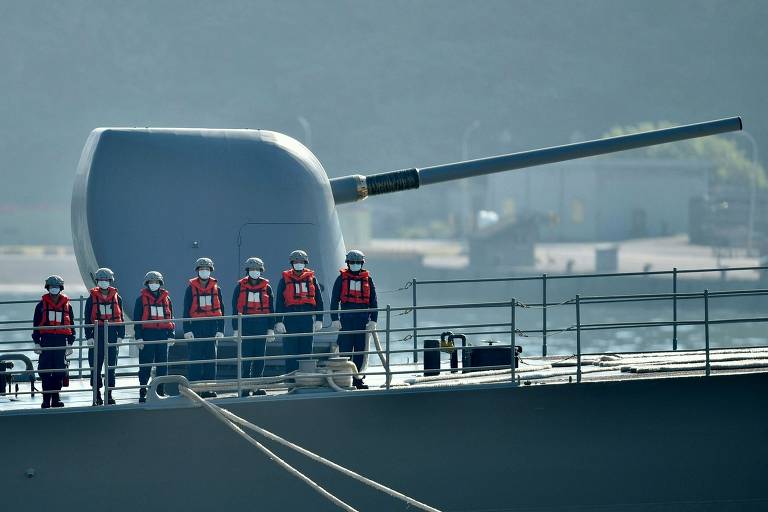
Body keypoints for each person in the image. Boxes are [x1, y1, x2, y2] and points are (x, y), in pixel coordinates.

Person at [330, 250, 378, 389]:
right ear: (348, 263)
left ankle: (358, 380)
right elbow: (334, 300)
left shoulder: (368, 279)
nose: (355, 265)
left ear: (362, 263)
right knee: (345, 350)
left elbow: (373, 302)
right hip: (346, 321)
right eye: (352, 262)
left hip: (362, 321)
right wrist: (335, 319)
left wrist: (373, 320)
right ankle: (344, 380)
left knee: (360, 351)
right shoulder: (341, 279)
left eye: (357, 262)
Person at [274, 250, 324, 374]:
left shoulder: (312, 279)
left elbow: (319, 300)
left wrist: (319, 319)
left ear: (305, 263)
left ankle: (305, 379)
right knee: (290, 351)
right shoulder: (284, 280)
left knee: (306, 350)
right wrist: (279, 321)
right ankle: (291, 380)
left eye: (301, 262)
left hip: (306, 319)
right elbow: (279, 301)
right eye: (296, 262)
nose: (298, 264)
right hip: (290, 319)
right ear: (292, 263)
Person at [231, 257, 275, 396]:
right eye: (252, 269)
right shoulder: (240, 287)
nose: (254, 272)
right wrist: (236, 329)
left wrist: (270, 328)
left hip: (261, 325)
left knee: (259, 358)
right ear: (248, 271)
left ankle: (256, 387)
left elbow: (271, 309)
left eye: (257, 269)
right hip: (246, 325)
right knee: (246, 358)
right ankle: (244, 387)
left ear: (261, 271)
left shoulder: (267, 288)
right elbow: (234, 308)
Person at [182, 257, 224, 397]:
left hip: (211, 327)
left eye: (206, 269)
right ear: (197, 271)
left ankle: (209, 389)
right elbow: (186, 310)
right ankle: (194, 389)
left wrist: (220, 330)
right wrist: (187, 329)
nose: (204, 271)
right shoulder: (190, 289)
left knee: (211, 360)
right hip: (196, 328)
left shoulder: (217, 289)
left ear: (210, 271)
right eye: (201, 269)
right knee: (195, 359)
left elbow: (221, 310)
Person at [32, 275, 75, 408]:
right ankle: (46, 400)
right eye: (51, 287)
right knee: (45, 370)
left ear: (60, 288)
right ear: (48, 288)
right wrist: (36, 342)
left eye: (56, 287)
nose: (54, 289)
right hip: (46, 341)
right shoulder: (40, 306)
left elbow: (72, 326)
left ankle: (56, 399)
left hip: (61, 342)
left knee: (59, 371)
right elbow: (36, 325)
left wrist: (70, 343)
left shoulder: (68, 306)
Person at [85, 267, 125, 405]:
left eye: (106, 280)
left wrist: (121, 335)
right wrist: (88, 337)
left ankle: (109, 394)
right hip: (97, 335)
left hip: (112, 334)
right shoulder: (91, 299)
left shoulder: (117, 298)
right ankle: (96, 394)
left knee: (111, 367)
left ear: (110, 281)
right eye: (101, 280)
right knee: (95, 366)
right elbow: (87, 319)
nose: (103, 282)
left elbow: (121, 319)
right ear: (97, 281)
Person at [133, 271, 175, 403]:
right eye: (151, 282)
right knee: (145, 365)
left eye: (156, 282)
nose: (154, 284)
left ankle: (160, 391)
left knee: (162, 365)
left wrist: (171, 335)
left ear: (160, 283)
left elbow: (170, 318)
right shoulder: (140, 300)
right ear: (147, 284)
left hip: (162, 335)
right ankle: (143, 392)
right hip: (147, 336)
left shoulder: (167, 299)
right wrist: (138, 337)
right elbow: (137, 320)